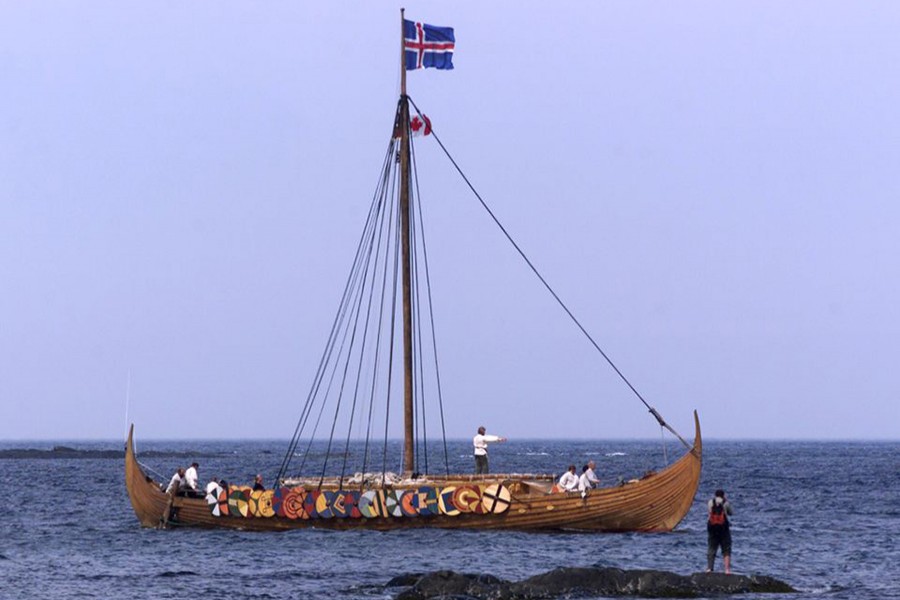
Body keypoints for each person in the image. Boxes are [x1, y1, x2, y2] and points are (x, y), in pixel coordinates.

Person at [707, 489, 734, 574]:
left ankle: (709, 568)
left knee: (712, 548)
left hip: (712, 528)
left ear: (715, 495)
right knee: (726, 549)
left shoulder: (710, 502)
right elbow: (731, 513)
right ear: (723, 495)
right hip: (723, 529)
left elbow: (709, 512)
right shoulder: (726, 503)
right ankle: (727, 570)